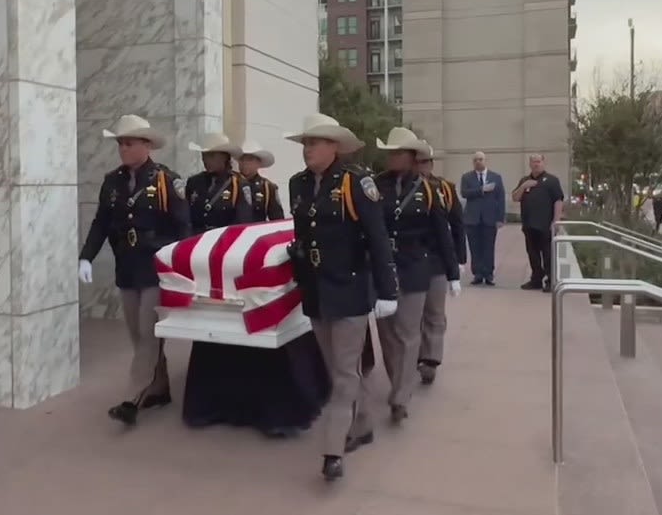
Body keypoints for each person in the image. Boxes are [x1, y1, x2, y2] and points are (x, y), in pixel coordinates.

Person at [180, 133, 329, 438]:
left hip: (234, 259)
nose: (207, 159)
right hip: (203, 262)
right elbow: (188, 220)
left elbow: (248, 224)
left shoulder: (242, 187)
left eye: (212, 154)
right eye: (204, 154)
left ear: (225, 158)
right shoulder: (194, 184)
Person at [285, 113, 398, 481]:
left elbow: (377, 238)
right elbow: (302, 236)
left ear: (334, 146)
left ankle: (333, 449)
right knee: (337, 367)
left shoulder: (356, 182)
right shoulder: (298, 184)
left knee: (345, 371)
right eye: (305, 143)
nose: (307, 150)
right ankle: (362, 423)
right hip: (317, 291)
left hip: (349, 289)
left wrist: (387, 290)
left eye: (314, 143)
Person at [79, 114, 191, 426]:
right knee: (136, 333)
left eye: (129, 143)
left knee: (147, 333)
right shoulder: (113, 181)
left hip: (155, 268)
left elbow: (183, 228)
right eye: (120, 143)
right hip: (127, 268)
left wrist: (177, 266)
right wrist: (86, 257)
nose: (123, 148)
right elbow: (101, 223)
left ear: (146, 145)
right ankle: (159, 387)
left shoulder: (167, 180)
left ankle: (132, 398)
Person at [373, 129, 459, 420]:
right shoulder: (374, 186)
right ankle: (400, 377)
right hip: (383, 267)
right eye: (390, 152)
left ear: (412, 158)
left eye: (398, 152)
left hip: (416, 266)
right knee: (386, 333)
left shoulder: (429, 189)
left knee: (408, 332)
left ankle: (400, 395)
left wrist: (454, 270)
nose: (393, 157)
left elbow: (442, 231)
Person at [416, 143, 467, 385]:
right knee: (411, 315)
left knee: (435, 313)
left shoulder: (444, 188)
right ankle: (415, 355)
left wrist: (459, 260)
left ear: (432, 164)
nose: (421, 167)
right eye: (417, 162)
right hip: (411, 260)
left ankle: (430, 359)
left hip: (437, 260)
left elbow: (457, 226)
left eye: (425, 162)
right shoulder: (402, 189)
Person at [512, 154, 564, 293]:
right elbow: (515, 198)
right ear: (530, 164)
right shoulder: (525, 180)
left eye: (538, 162)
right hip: (529, 224)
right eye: (533, 162)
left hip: (546, 224)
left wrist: (556, 221)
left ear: (543, 163)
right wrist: (523, 186)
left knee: (547, 254)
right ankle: (536, 279)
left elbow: (558, 201)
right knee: (532, 253)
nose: (536, 164)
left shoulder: (552, 180)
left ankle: (550, 281)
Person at [461, 151, 505, 286]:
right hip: (472, 219)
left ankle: (489, 274)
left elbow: (500, 198)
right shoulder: (467, 177)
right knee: (475, 248)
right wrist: (481, 189)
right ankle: (478, 274)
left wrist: (500, 218)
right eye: (475, 160)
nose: (478, 162)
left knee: (488, 247)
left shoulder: (496, 177)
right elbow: (464, 193)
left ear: (485, 161)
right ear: (473, 162)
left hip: (490, 218)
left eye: (480, 159)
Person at [238, 140, 285, 222]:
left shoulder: (268, 188)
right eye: (242, 159)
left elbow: (277, 218)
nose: (245, 163)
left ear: (259, 163)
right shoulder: (232, 184)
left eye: (249, 159)